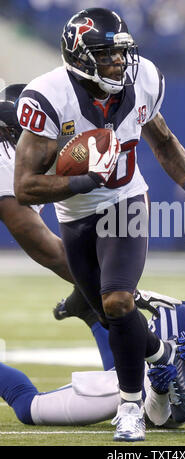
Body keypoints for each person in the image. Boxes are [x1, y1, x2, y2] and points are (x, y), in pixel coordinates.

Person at [14, 8, 185, 441]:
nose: (119, 64)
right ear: (80, 58)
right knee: (108, 312)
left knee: (119, 301)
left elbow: (162, 139)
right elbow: (25, 187)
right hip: (76, 213)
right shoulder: (48, 96)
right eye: (106, 56)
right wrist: (87, 177)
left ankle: (130, 408)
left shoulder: (143, 80)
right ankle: (162, 353)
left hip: (126, 201)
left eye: (121, 54)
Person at [0, 267, 185, 429]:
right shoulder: (170, 324)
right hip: (141, 395)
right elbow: (156, 416)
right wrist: (159, 389)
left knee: (123, 363)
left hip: (172, 409)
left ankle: (89, 312)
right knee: (29, 409)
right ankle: (92, 310)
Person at [0, 84, 100, 328]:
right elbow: (49, 251)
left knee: (98, 304)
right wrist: (117, 289)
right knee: (108, 305)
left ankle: (89, 308)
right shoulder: (4, 162)